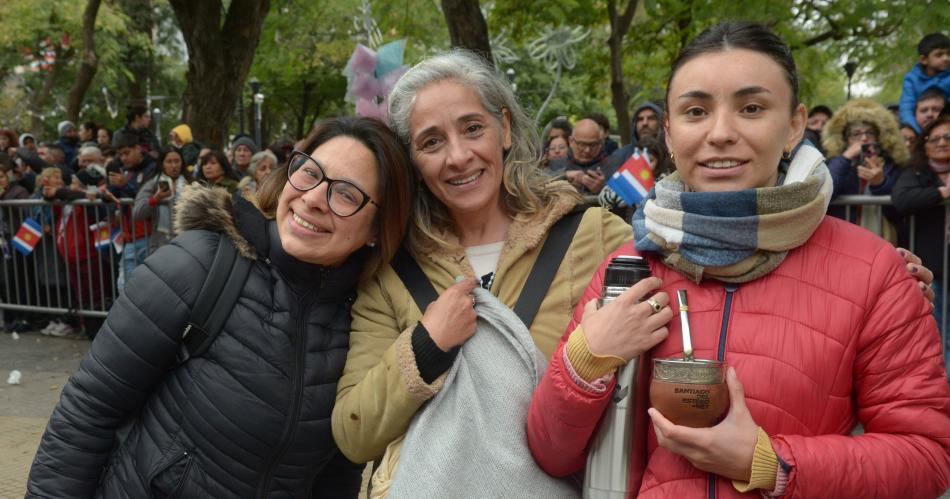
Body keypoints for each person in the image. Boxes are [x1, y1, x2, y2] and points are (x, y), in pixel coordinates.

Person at [526, 21, 950, 498]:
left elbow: (928, 456)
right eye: (695, 111)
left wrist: (771, 464)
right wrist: (586, 359)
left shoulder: (873, 271)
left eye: (751, 108)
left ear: (793, 125)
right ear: (668, 131)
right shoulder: (628, 267)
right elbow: (551, 452)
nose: (721, 133)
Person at [26, 116, 415, 498]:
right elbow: (88, 411)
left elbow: (339, 470)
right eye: (309, 173)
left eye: (346, 193)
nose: (313, 199)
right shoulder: (199, 265)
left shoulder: (364, 321)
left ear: (378, 229)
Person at [331, 49, 632, 495]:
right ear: (411, 160)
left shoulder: (597, 236)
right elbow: (354, 433)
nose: (458, 156)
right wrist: (425, 346)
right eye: (431, 142)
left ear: (505, 128)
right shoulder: (391, 272)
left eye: (473, 128)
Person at [892, 115, 950, 341]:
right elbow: (902, 199)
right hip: (934, 264)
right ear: (924, 145)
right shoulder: (916, 172)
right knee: (937, 332)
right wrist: (942, 193)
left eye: (947, 136)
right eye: (933, 138)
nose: (942, 142)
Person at [822, 99, 909, 241]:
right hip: (843, 238)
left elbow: (898, 210)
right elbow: (826, 191)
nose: (864, 138)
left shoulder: (891, 164)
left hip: (882, 239)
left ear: (879, 137)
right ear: (845, 139)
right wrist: (846, 157)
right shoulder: (837, 163)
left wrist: (880, 183)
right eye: (856, 134)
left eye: (870, 133)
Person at [133, 146, 195, 251]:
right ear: (162, 164)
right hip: (161, 244)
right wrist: (155, 199)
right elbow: (137, 213)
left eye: (177, 161)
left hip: (188, 243)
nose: (174, 165)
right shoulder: (152, 184)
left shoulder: (191, 184)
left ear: (182, 163)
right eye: (169, 162)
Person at [900, 32, 950, 133]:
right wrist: (918, 132)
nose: (946, 58)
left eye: (948, 54)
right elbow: (906, 109)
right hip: (919, 128)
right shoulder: (912, 79)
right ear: (924, 59)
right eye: (939, 55)